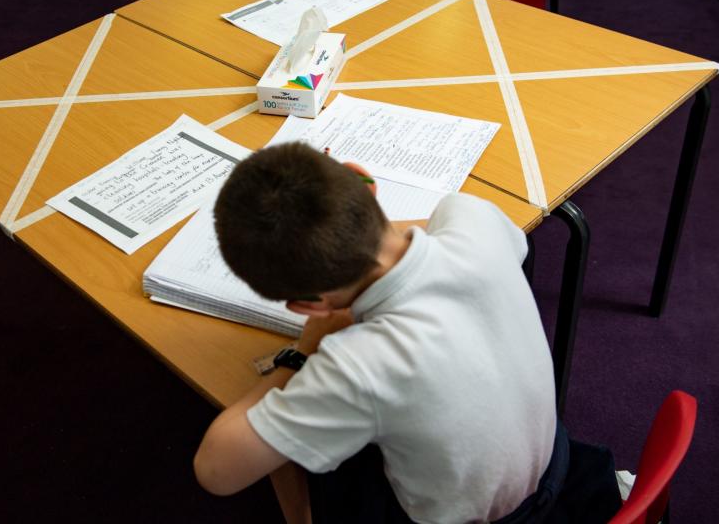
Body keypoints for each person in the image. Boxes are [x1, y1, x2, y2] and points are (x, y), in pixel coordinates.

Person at [193, 142, 559, 523]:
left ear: (310, 306)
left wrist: (301, 355)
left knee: (312, 460)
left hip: (472, 518)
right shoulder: (470, 215)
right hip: (558, 466)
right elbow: (509, 245)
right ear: (363, 180)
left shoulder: (357, 366)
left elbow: (216, 471)